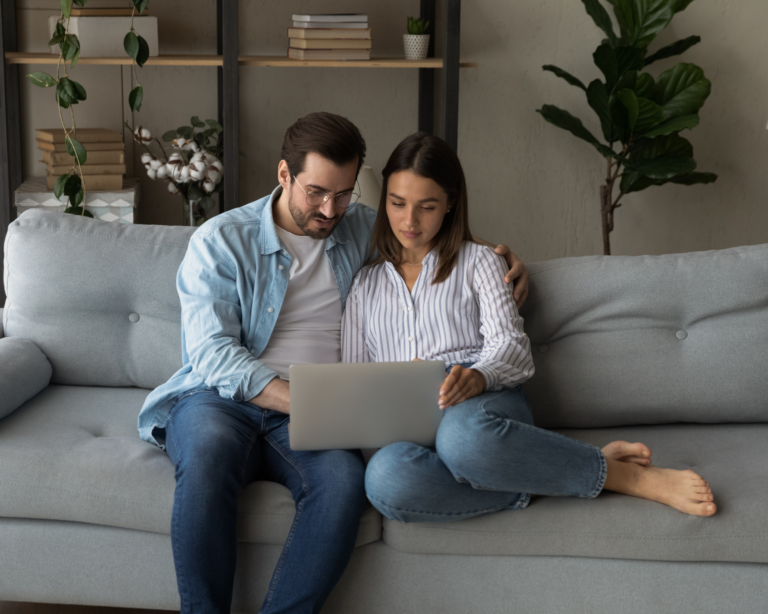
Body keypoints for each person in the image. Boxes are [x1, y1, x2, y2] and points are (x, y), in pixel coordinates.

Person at [136, 112, 531, 614]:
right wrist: (296, 397)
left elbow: (435, 233)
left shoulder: (362, 227)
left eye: (344, 194)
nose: (329, 209)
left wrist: (508, 263)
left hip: (323, 408)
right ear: (284, 175)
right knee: (208, 453)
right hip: (222, 400)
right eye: (316, 193)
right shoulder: (220, 240)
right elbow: (213, 353)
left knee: (344, 484)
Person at [341, 132, 717, 524]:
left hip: (480, 410)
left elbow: (512, 347)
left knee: (462, 439)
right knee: (385, 477)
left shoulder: (479, 262)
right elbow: (353, 381)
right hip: (408, 432)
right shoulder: (364, 286)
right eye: (397, 203)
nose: (409, 221)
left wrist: (478, 376)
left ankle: (623, 477)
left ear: (451, 203)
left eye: (427, 206)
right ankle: (565, 473)